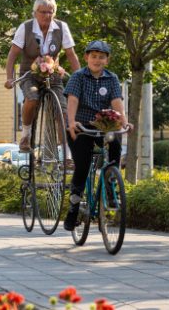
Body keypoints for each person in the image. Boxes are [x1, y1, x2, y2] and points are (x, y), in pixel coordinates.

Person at [4, 0, 80, 152]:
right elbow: (12, 55)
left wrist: (80, 79)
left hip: (53, 75)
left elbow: (71, 55)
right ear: (35, 12)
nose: (47, 15)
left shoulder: (61, 27)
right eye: (43, 12)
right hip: (29, 75)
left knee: (63, 111)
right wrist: (9, 78)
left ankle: (66, 154)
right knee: (31, 97)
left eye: (50, 12)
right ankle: (25, 135)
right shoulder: (25, 28)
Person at [62, 39, 126, 232]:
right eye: (94, 56)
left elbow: (116, 102)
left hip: (104, 126)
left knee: (115, 140)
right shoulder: (78, 76)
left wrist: (124, 121)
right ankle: (73, 208)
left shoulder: (112, 78)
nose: (97, 60)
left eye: (101, 57)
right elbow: (72, 100)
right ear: (86, 58)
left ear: (107, 60)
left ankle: (110, 183)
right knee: (83, 165)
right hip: (82, 127)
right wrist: (72, 121)